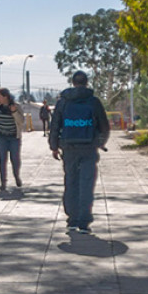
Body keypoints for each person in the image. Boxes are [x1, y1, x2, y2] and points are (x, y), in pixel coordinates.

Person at [49, 70, 110, 233]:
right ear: (86, 83)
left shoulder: (63, 102)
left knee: (71, 183)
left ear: (73, 83)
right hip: (89, 148)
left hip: (68, 148)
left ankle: (72, 220)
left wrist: (54, 146)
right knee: (86, 184)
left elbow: (55, 125)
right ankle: (84, 222)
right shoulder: (94, 102)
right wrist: (100, 143)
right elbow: (104, 126)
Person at [0, 88, 25, 192]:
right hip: (1, 136)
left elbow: (21, 121)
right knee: (2, 159)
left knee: (15, 159)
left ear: (5, 97)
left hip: (14, 137)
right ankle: (3, 181)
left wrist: (14, 112)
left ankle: (16, 175)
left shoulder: (16, 106)